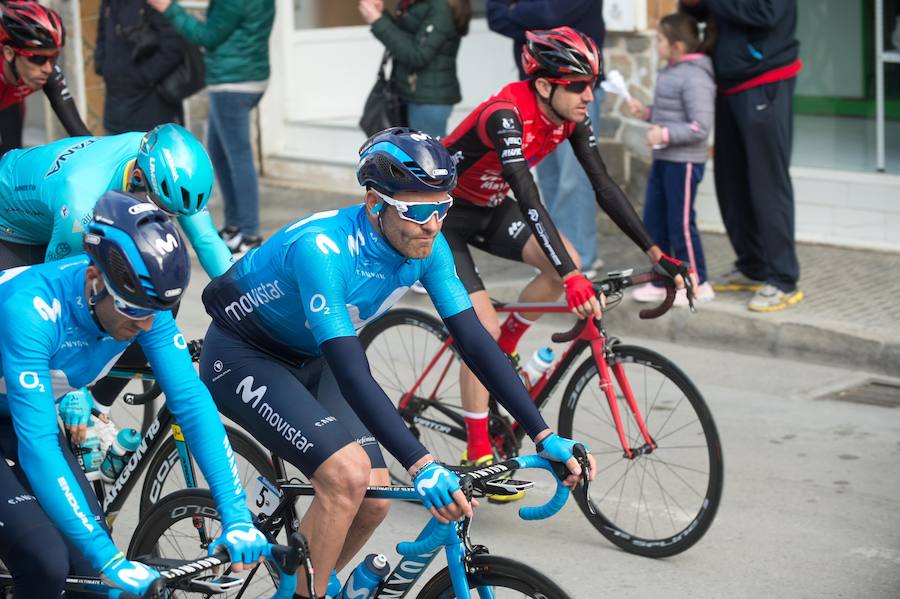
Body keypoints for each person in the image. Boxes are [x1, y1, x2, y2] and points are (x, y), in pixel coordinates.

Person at [198, 127, 597, 598]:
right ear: (375, 203)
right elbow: (351, 370)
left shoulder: (428, 246)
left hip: (314, 357)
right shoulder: (323, 251)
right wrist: (424, 463)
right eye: (419, 210)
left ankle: (307, 589)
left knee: (375, 498)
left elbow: (475, 342)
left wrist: (543, 434)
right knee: (347, 477)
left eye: (443, 207)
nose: (433, 224)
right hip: (246, 356)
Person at [439, 26, 687, 499]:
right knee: (482, 333)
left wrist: (657, 254)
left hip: (490, 208)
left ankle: (506, 349)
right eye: (578, 86)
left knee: (564, 259)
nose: (588, 96)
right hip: (445, 217)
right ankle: (477, 452)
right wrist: (572, 280)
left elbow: (605, 186)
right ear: (545, 85)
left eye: (592, 85)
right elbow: (529, 196)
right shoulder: (506, 114)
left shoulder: (569, 116)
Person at [0, 191, 266, 598]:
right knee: (45, 559)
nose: (146, 327)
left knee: (88, 570)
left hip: (15, 414)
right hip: (23, 421)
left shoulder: (144, 305)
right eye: (133, 311)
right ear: (94, 279)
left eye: (153, 313)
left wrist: (235, 515)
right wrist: (110, 560)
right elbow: (38, 445)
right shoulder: (31, 310)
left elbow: (192, 403)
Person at [0, 123, 232, 435]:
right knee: (36, 323)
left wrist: (249, 304)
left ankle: (99, 407)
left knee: (155, 301)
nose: (169, 222)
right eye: (164, 211)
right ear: (137, 179)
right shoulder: (82, 196)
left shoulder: (161, 167)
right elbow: (64, 299)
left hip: (55, 215)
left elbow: (207, 241)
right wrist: (73, 392)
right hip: (12, 226)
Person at [680, 0, 803, 312]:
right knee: (731, 183)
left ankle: (783, 279)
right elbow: (708, 12)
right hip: (730, 82)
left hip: (765, 79)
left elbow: (767, 13)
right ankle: (752, 266)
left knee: (767, 184)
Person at [487, 0, 606, 276]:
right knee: (549, 180)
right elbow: (495, 16)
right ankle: (556, 256)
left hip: (573, 90)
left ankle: (580, 259)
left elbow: (552, 12)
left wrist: (517, 14)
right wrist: (534, 23)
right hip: (537, 92)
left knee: (573, 179)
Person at [148, 0, 276, 255]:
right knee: (218, 153)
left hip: (234, 83)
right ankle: (234, 227)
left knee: (238, 157)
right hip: (246, 76)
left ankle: (250, 235)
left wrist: (168, 8)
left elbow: (206, 36)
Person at [627, 12, 716, 305]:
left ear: (677, 46)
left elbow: (700, 127)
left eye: (660, 39)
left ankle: (697, 281)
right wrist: (648, 113)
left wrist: (663, 134)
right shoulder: (670, 70)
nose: (657, 44)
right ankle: (663, 278)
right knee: (655, 220)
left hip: (685, 162)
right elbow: (671, 113)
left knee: (680, 223)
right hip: (665, 158)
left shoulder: (695, 77)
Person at [359, 0, 472, 139]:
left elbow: (418, 54)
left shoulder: (440, 7)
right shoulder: (419, 3)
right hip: (411, 94)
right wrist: (381, 16)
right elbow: (407, 37)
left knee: (427, 157)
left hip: (428, 100)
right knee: (410, 156)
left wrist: (379, 21)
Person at [0, 1, 90, 156]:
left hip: (10, 104)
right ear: (9, 53)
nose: (48, 69)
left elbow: (82, 136)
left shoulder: (47, 72)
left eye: (54, 58)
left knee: (13, 157)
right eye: (37, 59)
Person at [94, 0, 189, 133]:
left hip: (150, 105)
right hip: (115, 106)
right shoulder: (109, 3)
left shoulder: (153, 3)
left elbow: (174, 44)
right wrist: (102, 66)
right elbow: (102, 36)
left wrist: (144, 76)